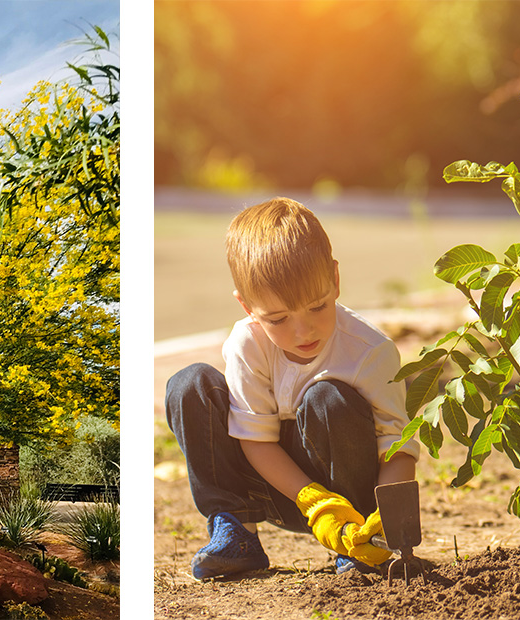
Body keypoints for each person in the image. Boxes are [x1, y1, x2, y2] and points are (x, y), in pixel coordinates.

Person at [165, 197, 420, 579]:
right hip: (278, 491)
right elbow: (257, 440)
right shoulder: (247, 344)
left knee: (327, 398)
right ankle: (237, 532)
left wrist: (387, 514)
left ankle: (357, 545)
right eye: (279, 318)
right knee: (189, 384)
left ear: (335, 280)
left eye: (318, 307)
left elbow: (396, 447)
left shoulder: (370, 352)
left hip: (348, 502)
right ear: (247, 306)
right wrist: (314, 501)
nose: (303, 332)